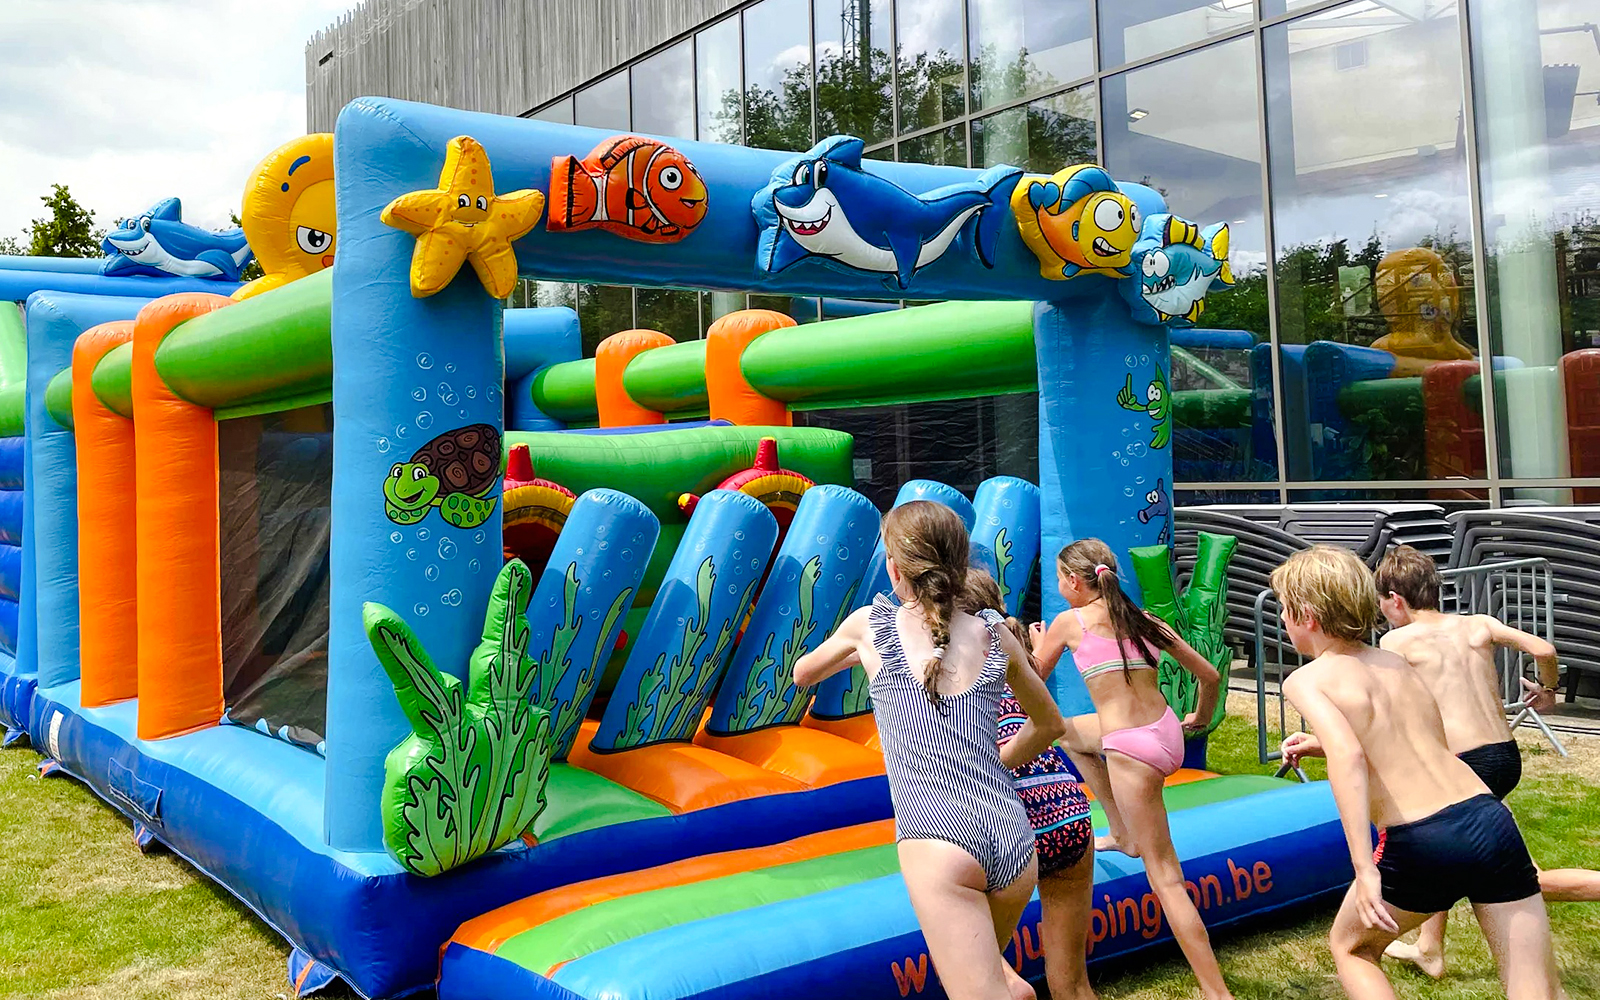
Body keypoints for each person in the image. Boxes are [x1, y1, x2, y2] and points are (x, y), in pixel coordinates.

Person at [794, 502, 1068, 1000]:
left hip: (937, 838)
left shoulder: (868, 626)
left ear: (894, 569)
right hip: (1012, 836)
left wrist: (860, 655)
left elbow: (803, 673)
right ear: (961, 565)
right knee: (988, 979)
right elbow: (1050, 723)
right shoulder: (994, 633)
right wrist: (999, 766)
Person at [1274, 545, 1560, 1000]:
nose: (1283, 622)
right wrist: (1321, 742)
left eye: (1284, 611)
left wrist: (1364, 868)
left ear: (1307, 616)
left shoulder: (1307, 679)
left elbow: (1347, 757)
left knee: (1351, 948)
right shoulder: (1394, 661)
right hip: (1487, 816)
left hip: (1423, 837)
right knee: (1535, 987)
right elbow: (1420, 739)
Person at [1365, 544, 1597, 979]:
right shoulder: (1477, 624)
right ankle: (1430, 949)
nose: (1383, 613)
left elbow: (1383, 704)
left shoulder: (1396, 640)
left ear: (1395, 599)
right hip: (1504, 755)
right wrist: (1548, 691)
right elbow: (1544, 649)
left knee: (1522, 879)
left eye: (1382, 604)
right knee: (1448, 844)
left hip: (1465, 761)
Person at [1030, 540, 1233, 1000]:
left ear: (1075, 582)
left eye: (1061, 578)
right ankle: (1121, 832)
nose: (1060, 586)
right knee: (1065, 733)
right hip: (1165, 732)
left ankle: (1216, 992)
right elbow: (1212, 676)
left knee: (1166, 877)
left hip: (1132, 751)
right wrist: (1199, 719)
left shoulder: (1069, 623)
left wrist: (1039, 647)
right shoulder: (1145, 620)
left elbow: (1031, 682)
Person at [961, 569, 1097, 1000]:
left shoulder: (949, 668)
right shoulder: (1016, 658)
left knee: (957, 929)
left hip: (1011, 822)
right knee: (1072, 985)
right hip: (1069, 811)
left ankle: (1010, 984)